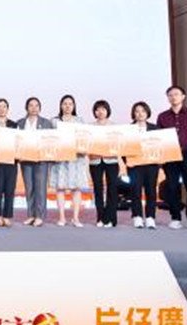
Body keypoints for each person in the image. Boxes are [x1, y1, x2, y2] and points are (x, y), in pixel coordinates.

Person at [157, 85, 187, 231]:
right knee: (172, 187)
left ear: (183, 97)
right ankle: (175, 218)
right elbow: (159, 139)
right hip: (170, 155)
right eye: (170, 95)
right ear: (168, 98)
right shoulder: (162, 117)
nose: (173, 97)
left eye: (176, 94)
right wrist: (161, 157)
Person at [49, 95, 89, 227]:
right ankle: (62, 217)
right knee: (60, 188)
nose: (67, 106)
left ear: (74, 106)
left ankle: (75, 218)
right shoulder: (54, 121)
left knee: (76, 188)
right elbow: (50, 139)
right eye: (65, 103)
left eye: (70, 104)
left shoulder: (80, 121)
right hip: (60, 159)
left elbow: (84, 137)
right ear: (61, 105)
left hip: (76, 159)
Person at [17, 97, 52, 227]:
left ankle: (40, 216)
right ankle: (31, 215)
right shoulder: (20, 123)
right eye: (31, 105)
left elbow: (50, 141)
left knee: (40, 188)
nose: (33, 108)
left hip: (41, 160)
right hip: (25, 159)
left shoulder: (46, 123)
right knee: (29, 188)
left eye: (36, 105)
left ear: (40, 108)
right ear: (26, 108)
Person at [89, 99, 124, 228]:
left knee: (112, 189)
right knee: (98, 189)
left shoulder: (114, 126)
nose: (100, 112)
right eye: (97, 109)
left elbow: (119, 144)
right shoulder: (90, 127)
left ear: (107, 111)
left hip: (111, 160)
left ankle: (111, 218)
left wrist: (121, 161)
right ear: (94, 112)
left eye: (103, 109)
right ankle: (100, 217)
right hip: (95, 161)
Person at [128, 101, 159, 229]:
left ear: (147, 113)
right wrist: (127, 161)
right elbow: (125, 147)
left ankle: (150, 217)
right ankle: (137, 216)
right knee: (135, 190)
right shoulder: (128, 129)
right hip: (134, 165)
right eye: (137, 111)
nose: (140, 114)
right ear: (133, 114)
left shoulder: (155, 128)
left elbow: (160, 146)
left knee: (151, 190)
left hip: (151, 164)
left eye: (143, 111)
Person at [0, 98, 17, 227]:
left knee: (9, 189)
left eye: (4, 106)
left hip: (11, 161)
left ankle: (7, 216)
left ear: (8, 109)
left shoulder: (14, 125)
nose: (2, 109)